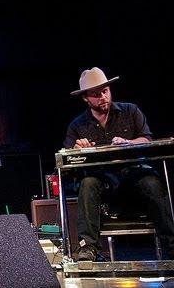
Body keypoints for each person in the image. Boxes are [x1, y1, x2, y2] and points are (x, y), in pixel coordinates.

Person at [64, 67, 174, 261]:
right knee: (88, 183)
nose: (102, 97)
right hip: (103, 183)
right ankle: (87, 248)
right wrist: (77, 148)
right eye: (95, 94)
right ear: (86, 99)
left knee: (151, 182)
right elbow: (68, 157)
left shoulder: (130, 111)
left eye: (105, 91)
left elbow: (146, 139)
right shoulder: (77, 125)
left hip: (133, 177)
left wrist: (128, 142)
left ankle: (172, 244)